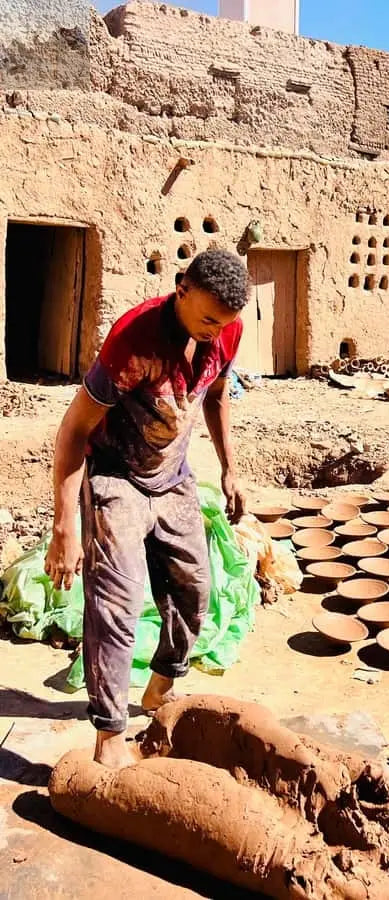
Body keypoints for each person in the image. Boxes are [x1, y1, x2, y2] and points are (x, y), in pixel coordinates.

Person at [44, 250, 249, 769]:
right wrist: (64, 526)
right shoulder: (132, 342)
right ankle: (109, 730)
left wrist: (229, 467)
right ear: (181, 288)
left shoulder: (225, 331)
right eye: (205, 319)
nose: (212, 332)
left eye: (222, 323)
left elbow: (217, 396)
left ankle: (160, 686)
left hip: (173, 474)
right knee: (119, 600)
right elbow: (72, 432)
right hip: (116, 476)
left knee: (195, 587)